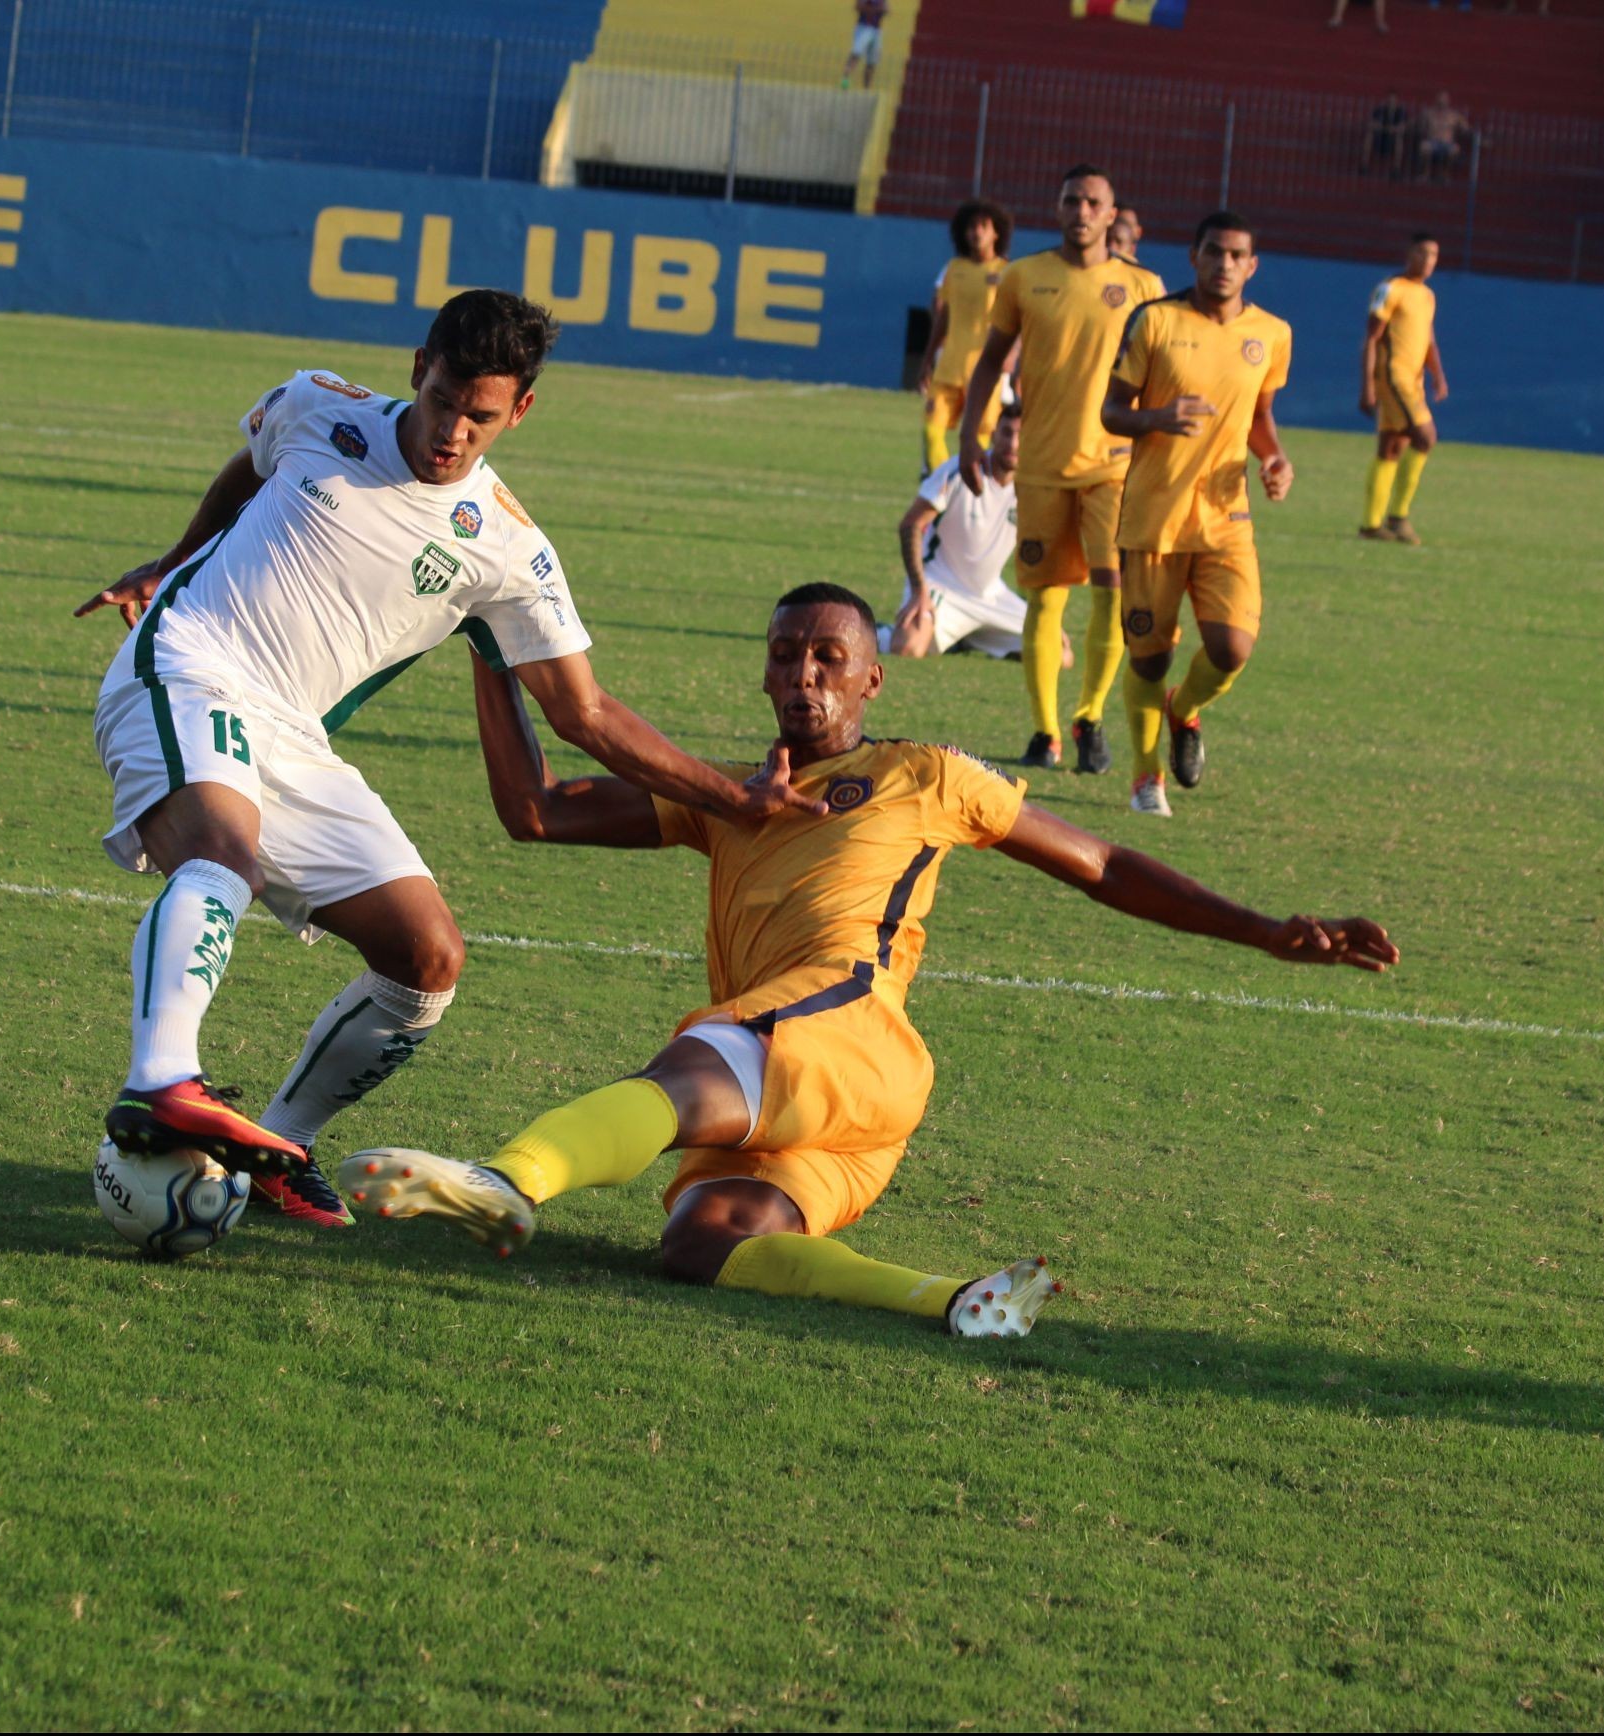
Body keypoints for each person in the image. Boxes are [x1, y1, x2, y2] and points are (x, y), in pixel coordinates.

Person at [343, 584, 1397, 1337]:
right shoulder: (727, 798)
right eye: (786, 654)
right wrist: (493, 655)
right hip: (835, 1104)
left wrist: (1264, 927)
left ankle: (506, 1179)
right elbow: (533, 812)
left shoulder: (921, 774)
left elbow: (1102, 860)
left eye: (827, 657)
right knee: (702, 1240)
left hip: (844, 1024)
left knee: (687, 1071)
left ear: (871, 680)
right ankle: (957, 1299)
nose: (804, 673)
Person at [75, 290, 821, 1228]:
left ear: (521, 411)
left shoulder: (508, 549)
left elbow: (582, 712)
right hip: (189, 664)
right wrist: (174, 557)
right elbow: (248, 467)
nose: (454, 433)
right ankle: (161, 1079)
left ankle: (280, 1142)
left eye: (482, 417)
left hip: (294, 737)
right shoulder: (319, 404)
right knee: (221, 853)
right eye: (442, 403)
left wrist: (730, 798)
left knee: (425, 959)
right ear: (416, 368)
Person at [958, 165, 1165, 774]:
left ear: (1110, 214)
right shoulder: (1025, 276)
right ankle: (1045, 732)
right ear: (1057, 209)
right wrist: (972, 434)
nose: (1081, 210)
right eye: (1071, 200)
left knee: (1113, 595)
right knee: (1045, 602)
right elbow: (990, 362)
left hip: (1115, 465)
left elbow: (1162, 373)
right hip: (1042, 465)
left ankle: (1090, 715)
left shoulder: (1145, 285)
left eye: (1092, 202)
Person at [1102, 212, 1293, 818]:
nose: (1225, 264)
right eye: (1214, 252)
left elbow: (1259, 416)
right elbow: (1112, 412)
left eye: (1238, 255)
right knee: (1149, 658)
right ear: (1194, 255)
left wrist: (1275, 459)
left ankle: (1184, 709)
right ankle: (1145, 776)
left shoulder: (1272, 333)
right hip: (1152, 517)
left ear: (1253, 265)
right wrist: (1156, 418)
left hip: (1224, 515)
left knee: (1232, 648)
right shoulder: (1155, 319)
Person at [880, 405, 1065, 665]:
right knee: (909, 647)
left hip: (990, 595)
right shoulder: (962, 470)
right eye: (1006, 433)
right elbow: (910, 524)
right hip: (939, 585)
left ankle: (964, 637)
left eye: (1021, 435)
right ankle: (883, 635)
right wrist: (918, 588)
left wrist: (1046, 612)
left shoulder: (1033, 487)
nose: (1013, 443)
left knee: (1059, 654)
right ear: (993, 434)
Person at [1359, 232, 1449, 545]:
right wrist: (1367, 385)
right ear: (1409, 254)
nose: (1428, 261)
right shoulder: (1390, 289)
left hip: (1414, 380)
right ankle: (1398, 517)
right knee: (1425, 437)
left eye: (1434, 255)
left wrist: (1437, 374)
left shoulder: (1426, 295)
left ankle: (1371, 525)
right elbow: (1371, 337)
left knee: (1391, 447)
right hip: (1393, 377)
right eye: (1423, 253)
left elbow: (1428, 339)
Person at [917, 198, 1012, 475]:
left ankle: (969, 493)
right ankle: (942, 487)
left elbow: (1016, 322)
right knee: (931, 431)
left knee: (979, 441)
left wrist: (1013, 356)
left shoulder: (1006, 272)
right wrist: (927, 359)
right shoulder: (954, 269)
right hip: (948, 367)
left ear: (996, 232)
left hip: (984, 372)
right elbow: (943, 317)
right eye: (971, 227)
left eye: (983, 226)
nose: (977, 232)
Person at [1416, 92, 1469, 181]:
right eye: (1440, 101)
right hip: (1433, 142)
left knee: (1454, 149)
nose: (1442, 104)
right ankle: (1426, 173)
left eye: (1444, 102)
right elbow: (1418, 123)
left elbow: (1465, 127)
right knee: (1424, 147)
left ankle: (1445, 174)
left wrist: (1465, 131)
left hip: (1447, 143)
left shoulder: (1453, 116)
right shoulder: (1429, 113)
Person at [1360, 91, 1408, 178]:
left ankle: (1396, 169)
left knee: (1399, 141)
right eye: (1389, 101)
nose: (1391, 103)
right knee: (1369, 137)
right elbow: (1371, 124)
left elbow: (1402, 127)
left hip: (1392, 139)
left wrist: (1391, 129)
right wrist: (1378, 126)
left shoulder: (1401, 112)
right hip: (1380, 138)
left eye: (1393, 101)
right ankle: (1364, 165)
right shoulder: (1380, 110)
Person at [841, 0, 886, 90]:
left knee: (872, 61)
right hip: (864, 27)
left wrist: (874, 10)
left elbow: (885, 9)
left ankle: (867, 88)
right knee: (856, 53)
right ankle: (845, 80)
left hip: (876, 29)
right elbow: (858, 7)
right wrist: (874, 10)